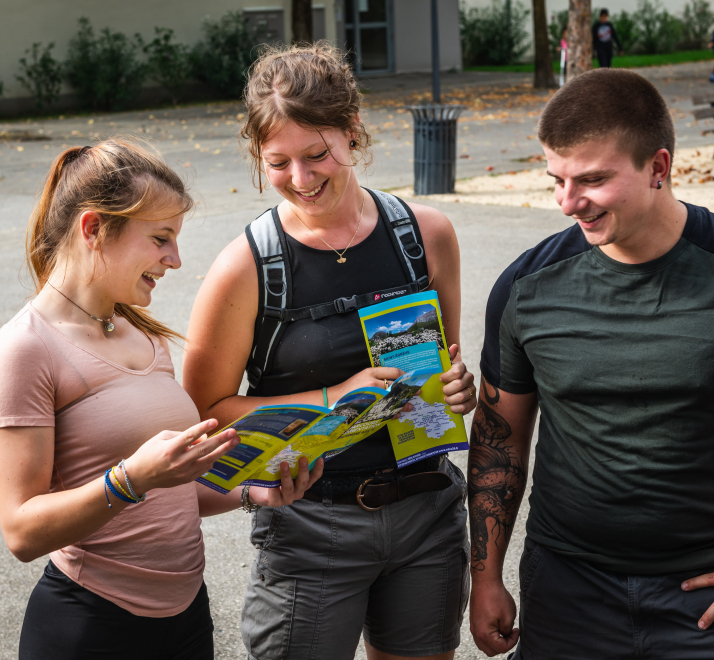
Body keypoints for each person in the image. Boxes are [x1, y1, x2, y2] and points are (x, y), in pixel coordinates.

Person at [182, 43, 477, 660]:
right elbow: (203, 414)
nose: (300, 178)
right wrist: (334, 399)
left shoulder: (427, 235)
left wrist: (456, 389)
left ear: (353, 131)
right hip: (309, 523)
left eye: (317, 154)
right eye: (278, 162)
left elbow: (442, 364)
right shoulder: (247, 266)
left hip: (426, 508)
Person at [469, 68, 714, 659]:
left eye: (593, 180)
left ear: (658, 168)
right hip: (568, 593)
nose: (567, 203)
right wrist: (484, 577)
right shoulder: (526, 288)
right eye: (556, 179)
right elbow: (498, 441)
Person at [0, 139, 321, 660]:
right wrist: (132, 478)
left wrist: (251, 492)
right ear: (93, 229)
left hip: (186, 616)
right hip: (91, 623)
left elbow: (169, 492)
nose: (175, 259)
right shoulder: (25, 348)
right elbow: (20, 531)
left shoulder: (142, 334)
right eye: (160, 238)